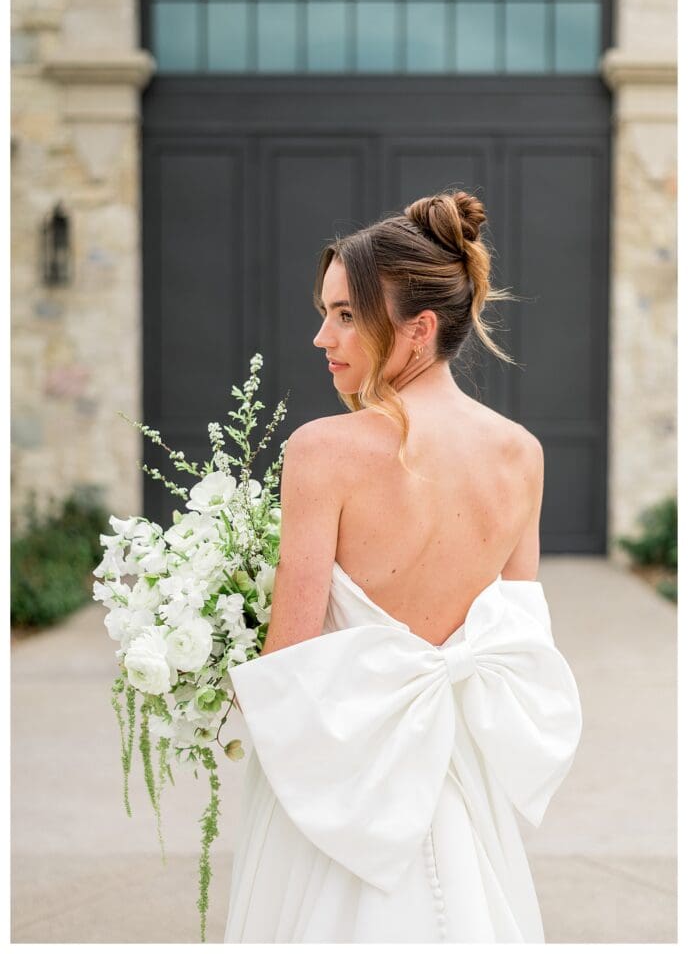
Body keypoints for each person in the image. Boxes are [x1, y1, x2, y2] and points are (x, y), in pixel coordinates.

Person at [223, 190, 582, 942]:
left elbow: (287, 656)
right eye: (326, 312)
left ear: (419, 329)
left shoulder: (323, 451)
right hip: (460, 781)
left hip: (345, 786)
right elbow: (515, 636)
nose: (322, 336)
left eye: (348, 314)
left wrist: (212, 669)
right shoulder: (523, 454)